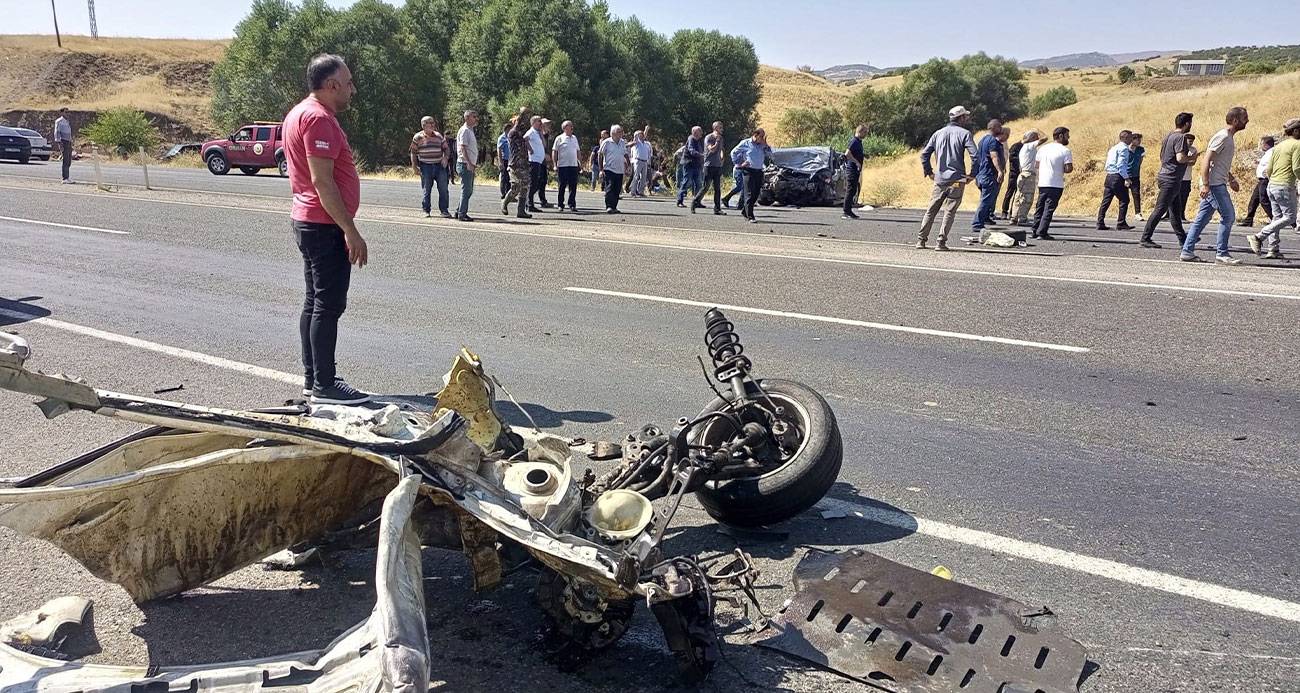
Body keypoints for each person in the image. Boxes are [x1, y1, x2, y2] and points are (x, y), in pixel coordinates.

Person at [284, 54, 369, 405]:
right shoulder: (318, 118)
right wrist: (351, 231)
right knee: (328, 306)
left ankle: (314, 378)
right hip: (323, 224)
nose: (353, 89)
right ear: (331, 85)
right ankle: (324, 385)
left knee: (315, 302)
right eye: (348, 83)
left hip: (311, 221)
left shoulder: (301, 112)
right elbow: (322, 181)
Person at [1181, 106, 1249, 264]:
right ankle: (1222, 253)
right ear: (1235, 120)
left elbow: (1219, 163)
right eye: (1245, 118)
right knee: (1229, 216)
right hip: (1214, 185)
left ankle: (1187, 251)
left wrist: (1231, 179)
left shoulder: (1228, 137)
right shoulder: (1223, 136)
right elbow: (1206, 159)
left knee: (1202, 219)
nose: (1247, 121)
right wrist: (1206, 184)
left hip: (1217, 182)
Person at [917, 105, 979, 251]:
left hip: (939, 179)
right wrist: (972, 174)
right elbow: (975, 156)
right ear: (961, 118)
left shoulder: (938, 133)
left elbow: (924, 155)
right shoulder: (964, 134)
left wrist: (930, 172)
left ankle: (921, 240)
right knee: (949, 211)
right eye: (965, 116)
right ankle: (940, 242)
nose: (967, 119)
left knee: (931, 210)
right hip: (957, 179)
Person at [1142, 114, 1198, 249]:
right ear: (1186, 124)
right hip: (1171, 178)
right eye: (1190, 122)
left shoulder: (1169, 136)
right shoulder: (1180, 138)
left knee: (1175, 211)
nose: (1191, 125)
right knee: (1160, 209)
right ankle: (1145, 237)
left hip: (1166, 175)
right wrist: (1192, 158)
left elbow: (1163, 155)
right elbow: (1180, 158)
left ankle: (1183, 240)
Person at [1246, 119, 1299, 260]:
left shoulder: (1278, 147)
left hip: (1272, 185)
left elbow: (1269, 168)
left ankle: (1273, 249)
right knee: (1290, 217)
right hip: (1285, 185)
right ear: (1295, 131)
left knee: (1277, 217)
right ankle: (1258, 236)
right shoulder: (1297, 145)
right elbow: (1297, 168)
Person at [1031, 126, 1074, 241]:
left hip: (1043, 182)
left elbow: (1036, 165)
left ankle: (1035, 230)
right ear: (1061, 136)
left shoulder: (1043, 148)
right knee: (1049, 208)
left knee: (1039, 207)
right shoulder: (1065, 151)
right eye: (1067, 136)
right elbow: (1068, 168)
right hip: (1055, 183)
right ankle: (1042, 232)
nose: (1068, 138)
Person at [409, 116, 450, 218]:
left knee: (443, 189)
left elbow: (446, 149)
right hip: (425, 166)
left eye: (433, 122)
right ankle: (426, 210)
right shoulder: (417, 137)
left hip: (439, 166)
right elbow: (413, 153)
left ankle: (444, 210)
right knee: (426, 189)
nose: (432, 125)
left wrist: (445, 158)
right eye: (430, 123)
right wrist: (414, 166)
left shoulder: (439, 136)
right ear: (423, 125)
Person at [971, 120, 1006, 237]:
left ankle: (985, 218)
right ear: (994, 127)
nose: (1001, 129)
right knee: (986, 200)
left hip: (981, 174)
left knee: (987, 198)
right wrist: (1000, 171)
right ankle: (977, 223)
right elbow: (994, 156)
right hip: (988, 174)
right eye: (999, 127)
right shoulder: (992, 141)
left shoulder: (982, 140)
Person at [1096, 130, 1134, 230]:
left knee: (1106, 200)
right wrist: (1126, 177)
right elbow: (1121, 165)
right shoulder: (1124, 149)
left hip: (1109, 175)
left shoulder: (1113, 148)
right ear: (1125, 138)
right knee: (1124, 199)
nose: (1131, 140)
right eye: (1130, 138)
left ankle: (1100, 221)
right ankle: (1121, 222)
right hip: (1117, 176)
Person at [732, 128, 770, 223]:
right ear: (755, 135)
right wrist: (740, 162)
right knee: (749, 193)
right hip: (749, 171)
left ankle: (745, 211)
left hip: (759, 170)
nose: (762, 138)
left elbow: (770, 154)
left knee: (756, 194)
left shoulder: (762, 146)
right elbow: (733, 153)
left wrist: (766, 146)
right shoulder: (745, 143)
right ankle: (750, 216)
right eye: (761, 136)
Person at [501, 109, 533, 219]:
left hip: (523, 164)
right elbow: (518, 123)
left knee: (525, 186)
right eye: (520, 124)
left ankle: (521, 211)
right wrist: (522, 113)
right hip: (515, 165)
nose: (522, 126)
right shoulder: (512, 133)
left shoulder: (522, 137)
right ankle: (505, 202)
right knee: (516, 187)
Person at [691, 121, 726, 215]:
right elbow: (712, 149)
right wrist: (717, 141)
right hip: (709, 165)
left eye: (722, 128)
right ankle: (695, 202)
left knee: (717, 188)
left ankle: (717, 209)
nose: (722, 129)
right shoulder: (709, 138)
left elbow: (721, 149)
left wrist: (722, 158)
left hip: (717, 166)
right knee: (705, 187)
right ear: (715, 128)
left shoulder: (721, 138)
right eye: (720, 128)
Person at [1240, 136, 1276, 227]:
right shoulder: (1267, 153)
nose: (1261, 146)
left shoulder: (1272, 153)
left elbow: (1271, 164)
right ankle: (1249, 219)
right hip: (1261, 179)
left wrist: (1268, 171)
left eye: (1262, 144)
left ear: (1267, 145)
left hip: (1265, 179)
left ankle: (1275, 218)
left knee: (1263, 199)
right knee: (1254, 199)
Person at [598, 125, 630, 213]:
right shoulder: (607, 142)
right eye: (619, 131)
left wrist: (628, 165)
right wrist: (601, 169)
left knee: (617, 188)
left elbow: (626, 154)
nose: (621, 133)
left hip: (619, 169)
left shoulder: (622, 143)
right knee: (610, 187)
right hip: (609, 168)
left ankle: (614, 206)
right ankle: (609, 206)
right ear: (613, 133)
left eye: (621, 131)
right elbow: (600, 154)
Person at [1010, 131, 1040, 226]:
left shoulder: (1025, 149)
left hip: (1023, 173)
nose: (1037, 139)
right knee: (1027, 197)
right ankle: (1022, 218)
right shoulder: (1029, 146)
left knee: (1018, 197)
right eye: (1035, 137)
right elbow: (1045, 138)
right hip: (1028, 175)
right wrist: (1037, 130)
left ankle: (1014, 217)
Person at [551, 120, 580, 212]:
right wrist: (555, 164)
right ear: (564, 128)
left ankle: (572, 204)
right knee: (562, 185)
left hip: (573, 165)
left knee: (573, 186)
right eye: (569, 126)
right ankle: (560, 204)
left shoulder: (574, 138)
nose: (571, 127)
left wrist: (580, 163)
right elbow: (554, 151)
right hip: (563, 165)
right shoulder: (559, 138)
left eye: (571, 125)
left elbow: (578, 151)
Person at [454, 110, 478, 222]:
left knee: (468, 190)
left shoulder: (470, 130)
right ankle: (462, 214)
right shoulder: (465, 131)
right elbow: (463, 148)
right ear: (467, 118)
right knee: (467, 190)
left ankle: (458, 210)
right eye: (474, 117)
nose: (476, 119)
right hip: (464, 163)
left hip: (468, 163)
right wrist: (468, 162)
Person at [676, 126, 706, 208]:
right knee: (686, 182)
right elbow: (691, 150)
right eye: (700, 131)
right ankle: (680, 201)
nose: (701, 133)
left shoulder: (698, 141)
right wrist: (700, 155)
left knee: (699, 184)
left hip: (697, 165)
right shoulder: (691, 139)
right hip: (689, 164)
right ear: (695, 132)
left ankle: (697, 201)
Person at [842, 124, 867, 219]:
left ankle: (848, 210)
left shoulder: (858, 142)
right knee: (850, 190)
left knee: (853, 190)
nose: (866, 134)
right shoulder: (854, 141)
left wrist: (863, 155)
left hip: (856, 170)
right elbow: (847, 153)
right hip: (851, 169)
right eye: (865, 132)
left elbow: (855, 153)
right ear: (859, 132)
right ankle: (846, 211)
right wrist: (856, 162)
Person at [1001, 133, 1024, 219]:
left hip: (1021, 173)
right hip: (1014, 173)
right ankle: (1004, 211)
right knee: (1010, 192)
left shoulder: (1027, 148)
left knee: (1018, 194)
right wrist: (1022, 159)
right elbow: (1012, 158)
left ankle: (1013, 211)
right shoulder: (1016, 146)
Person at [53, 107, 74, 184]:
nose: (67, 114)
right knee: (65, 160)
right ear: (61, 113)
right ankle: (65, 178)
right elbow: (57, 132)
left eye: (68, 112)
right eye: (66, 112)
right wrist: (59, 143)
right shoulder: (59, 121)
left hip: (68, 141)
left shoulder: (67, 121)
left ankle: (67, 176)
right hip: (63, 141)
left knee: (69, 160)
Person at [1128, 133, 1146, 222]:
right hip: (1125, 175)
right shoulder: (1126, 149)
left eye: (1140, 140)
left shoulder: (1141, 149)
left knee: (1136, 194)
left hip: (1135, 175)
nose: (1139, 141)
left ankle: (1138, 213)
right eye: (1137, 140)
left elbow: (1140, 161)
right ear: (1132, 140)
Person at [629, 131, 652, 197]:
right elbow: (635, 135)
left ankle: (641, 192)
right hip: (638, 161)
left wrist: (648, 162)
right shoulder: (637, 142)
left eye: (642, 134)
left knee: (643, 178)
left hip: (645, 161)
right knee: (636, 177)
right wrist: (639, 132)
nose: (641, 135)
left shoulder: (646, 144)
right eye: (640, 134)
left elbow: (648, 154)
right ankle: (633, 192)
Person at [496, 120, 512, 199]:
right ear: (506, 129)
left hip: (510, 160)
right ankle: (503, 193)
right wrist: (500, 161)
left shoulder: (510, 137)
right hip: (504, 160)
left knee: (510, 178)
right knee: (504, 177)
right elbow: (499, 149)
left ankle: (509, 194)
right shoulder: (502, 138)